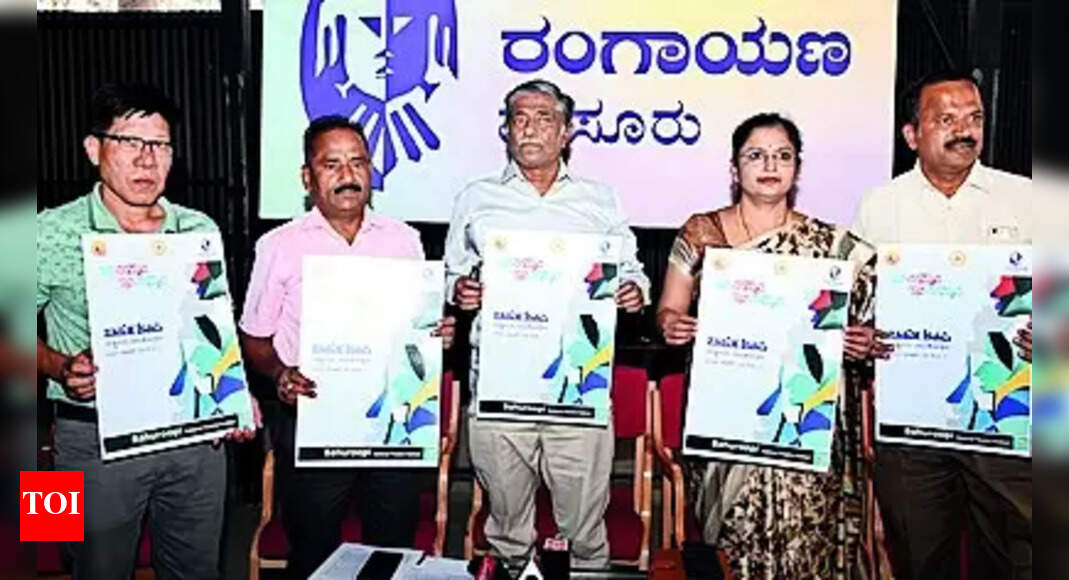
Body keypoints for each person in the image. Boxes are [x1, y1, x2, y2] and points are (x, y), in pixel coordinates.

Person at [36, 83, 257, 580]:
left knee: (198, 570)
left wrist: (233, 397)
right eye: (129, 142)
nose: (146, 160)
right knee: (93, 569)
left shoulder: (198, 228)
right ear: (94, 149)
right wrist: (60, 366)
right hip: (89, 437)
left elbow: (212, 328)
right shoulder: (47, 230)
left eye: (159, 145)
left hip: (194, 439)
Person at [656, 112, 887, 578]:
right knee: (731, 543)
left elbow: (882, 310)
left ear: (797, 169)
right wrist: (673, 325)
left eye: (783, 156)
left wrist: (862, 338)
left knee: (806, 541)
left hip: (803, 423)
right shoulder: (701, 233)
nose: (769, 166)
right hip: (726, 416)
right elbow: (668, 311)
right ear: (734, 167)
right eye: (756, 155)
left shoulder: (832, 246)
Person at [443, 79, 649, 569]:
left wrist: (633, 291)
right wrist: (459, 290)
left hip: (577, 391)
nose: (530, 129)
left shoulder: (600, 200)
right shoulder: (476, 198)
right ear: (506, 130)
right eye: (519, 119)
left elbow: (632, 271)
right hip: (500, 389)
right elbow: (452, 274)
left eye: (543, 119)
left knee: (586, 536)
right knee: (508, 534)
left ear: (566, 132)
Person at [239, 115, 456, 579]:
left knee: (390, 554)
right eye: (331, 164)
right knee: (314, 555)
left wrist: (438, 333)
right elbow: (255, 339)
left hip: (392, 423)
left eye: (357, 162)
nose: (347, 175)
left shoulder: (404, 240)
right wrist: (279, 374)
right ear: (307, 177)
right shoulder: (279, 246)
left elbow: (419, 328)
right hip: (312, 420)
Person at [854, 70, 1032, 580]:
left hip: (1007, 418)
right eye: (947, 119)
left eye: (974, 118)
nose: (964, 130)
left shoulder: (1025, 199)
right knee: (920, 558)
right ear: (912, 134)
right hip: (913, 423)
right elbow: (858, 299)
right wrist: (862, 334)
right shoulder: (881, 205)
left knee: (1016, 559)